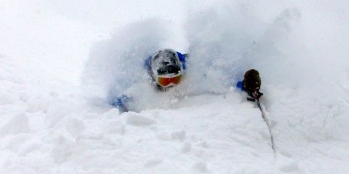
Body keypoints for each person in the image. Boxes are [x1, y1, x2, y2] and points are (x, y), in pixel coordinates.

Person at [111, 48, 262, 112]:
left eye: (176, 79)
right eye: (164, 81)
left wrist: (245, 85)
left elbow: (223, 81)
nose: (171, 85)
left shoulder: (195, 72)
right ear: (153, 77)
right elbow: (117, 102)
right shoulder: (140, 86)